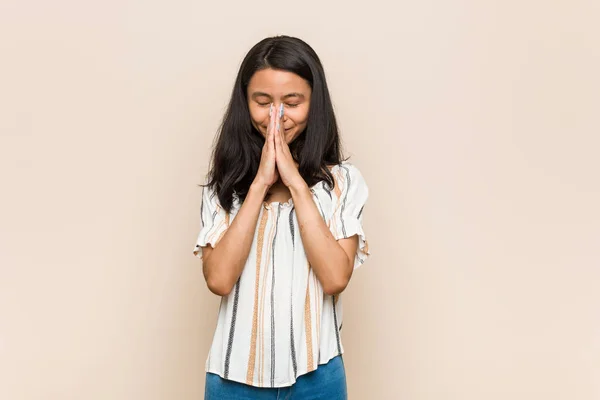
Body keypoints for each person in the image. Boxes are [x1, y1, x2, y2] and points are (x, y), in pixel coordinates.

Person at [193, 35, 370, 400]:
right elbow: (219, 279)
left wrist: (295, 182)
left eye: (292, 102)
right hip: (232, 380)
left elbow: (336, 276)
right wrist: (260, 183)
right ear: (245, 104)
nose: (277, 116)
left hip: (317, 377)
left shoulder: (343, 183)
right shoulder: (224, 187)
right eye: (262, 102)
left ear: (313, 104)